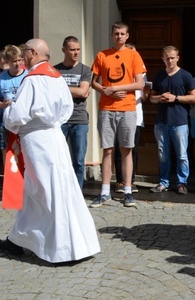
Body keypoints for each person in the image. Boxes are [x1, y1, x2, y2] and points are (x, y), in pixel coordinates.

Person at [0, 39, 100, 264]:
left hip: (36, 139)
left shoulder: (32, 80)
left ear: (33, 53)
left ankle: (62, 249)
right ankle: (17, 240)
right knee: (49, 189)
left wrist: (8, 110)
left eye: (24, 52)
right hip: (54, 136)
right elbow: (67, 108)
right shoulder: (56, 77)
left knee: (43, 190)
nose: (23, 56)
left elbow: (18, 115)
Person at [90, 21, 146, 208]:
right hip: (107, 109)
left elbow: (139, 84)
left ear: (127, 36)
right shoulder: (102, 55)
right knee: (107, 150)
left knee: (127, 150)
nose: (119, 37)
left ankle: (128, 190)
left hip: (127, 108)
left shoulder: (133, 55)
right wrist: (106, 91)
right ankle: (105, 191)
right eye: (116, 34)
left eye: (122, 34)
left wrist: (116, 88)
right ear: (112, 35)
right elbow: (94, 82)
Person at [149, 46, 195, 195]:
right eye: (167, 58)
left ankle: (182, 182)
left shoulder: (185, 76)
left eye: (172, 57)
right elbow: (151, 97)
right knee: (163, 154)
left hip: (179, 121)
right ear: (163, 59)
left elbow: (194, 97)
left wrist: (175, 98)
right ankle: (164, 182)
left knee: (182, 154)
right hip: (161, 121)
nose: (169, 61)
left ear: (177, 58)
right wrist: (160, 98)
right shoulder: (158, 76)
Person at [54, 36, 92, 190]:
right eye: (72, 50)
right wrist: (76, 92)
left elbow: (83, 91)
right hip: (60, 120)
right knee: (59, 159)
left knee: (78, 160)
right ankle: (61, 191)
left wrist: (61, 88)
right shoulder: (55, 70)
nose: (76, 53)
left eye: (78, 49)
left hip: (79, 120)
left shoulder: (85, 69)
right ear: (64, 50)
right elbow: (51, 93)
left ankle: (77, 193)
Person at [113, 43, 148, 193]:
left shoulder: (142, 71)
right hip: (119, 112)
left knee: (133, 150)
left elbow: (144, 97)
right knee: (119, 149)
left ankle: (131, 181)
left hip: (136, 114)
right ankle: (120, 180)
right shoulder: (119, 69)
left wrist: (146, 92)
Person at [0, 45, 27, 166]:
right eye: (14, 61)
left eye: (19, 60)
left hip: (23, 120)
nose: (17, 64)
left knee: (25, 149)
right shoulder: (0, 79)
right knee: (6, 150)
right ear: (7, 62)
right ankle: (7, 178)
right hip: (4, 121)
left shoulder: (28, 76)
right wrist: (2, 104)